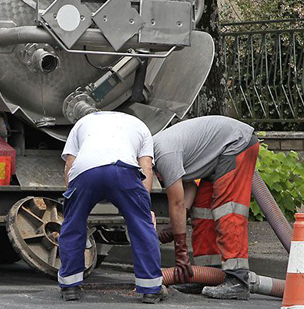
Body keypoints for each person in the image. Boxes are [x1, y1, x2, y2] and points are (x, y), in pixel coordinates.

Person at [57, 111, 166, 303]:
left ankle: (70, 287)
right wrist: (144, 209)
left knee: (73, 224)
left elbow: (70, 164)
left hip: (85, 171)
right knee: (141, 227)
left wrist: (72, 201)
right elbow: (146, 167)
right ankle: (150, 289)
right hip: (122, 170)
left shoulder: (82, 123)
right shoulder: (140, 125)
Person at [151, 115, 259, 300]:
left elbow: (176, 202)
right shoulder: (156, 151)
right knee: (202, 212)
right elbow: (189, 185)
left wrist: (181, 254)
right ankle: (208, 274)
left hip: (236, 144)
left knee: (228, 210)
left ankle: (238, 279)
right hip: (216, 157)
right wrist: (178, 222)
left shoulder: (163, 153)